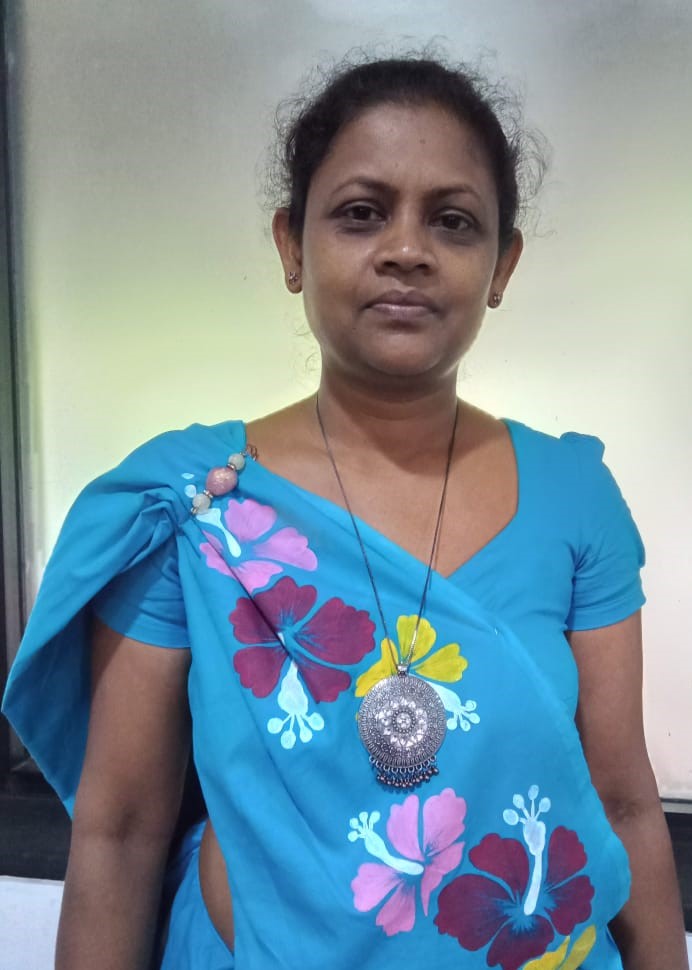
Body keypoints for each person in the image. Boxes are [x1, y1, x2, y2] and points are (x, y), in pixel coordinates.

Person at [2, 54, 688, 970]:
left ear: (502, 264)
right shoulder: (198, 505)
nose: (406, 249)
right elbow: (120, 829)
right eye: (362, 213)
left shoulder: (572, 498)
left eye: (452, 220)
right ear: (292, 247)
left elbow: (625, 802)